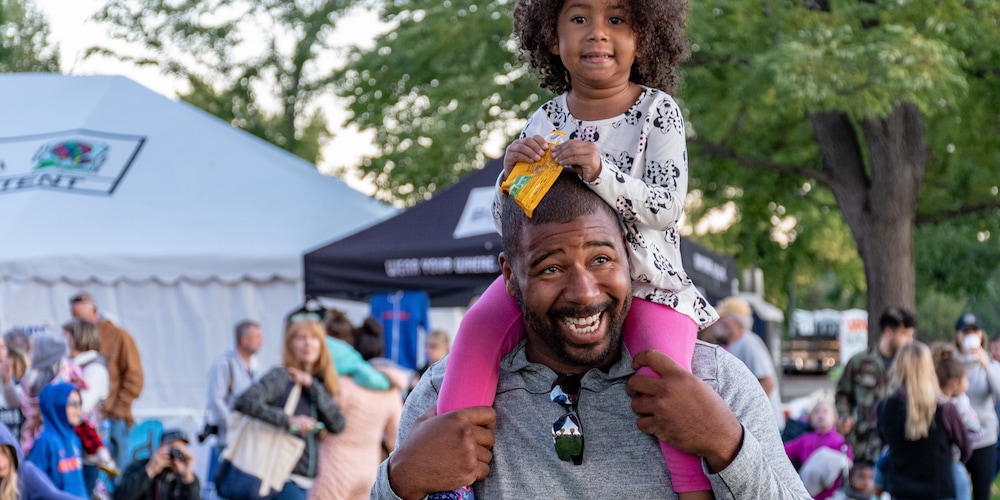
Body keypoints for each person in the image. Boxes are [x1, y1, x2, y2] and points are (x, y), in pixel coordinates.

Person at [373, 169, 810, 499]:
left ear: (629, 253)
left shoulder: (716, 382)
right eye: (550, 268)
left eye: (601, 259)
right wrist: (398, 481)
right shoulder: (442, 395)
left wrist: (725, 444)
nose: (584, 293)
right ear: (509, 276)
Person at [436, 0, 718, 497]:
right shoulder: (543, 120)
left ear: (644, 37)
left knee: (666, 382)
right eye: (579, 19)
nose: (597, 33)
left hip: (647, 282)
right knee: (477, 328)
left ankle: (692, 490)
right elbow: (515, 224)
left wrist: (602, 173)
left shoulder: (658, 113)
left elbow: (667, 207)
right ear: (552, 38)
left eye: (616, 20)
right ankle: (451, 476)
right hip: (554, 275)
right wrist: (509, 179)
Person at [233, 318, 346, 500]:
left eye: (314, 338)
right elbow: (244, 401)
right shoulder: (282, 376)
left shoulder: (319, 382)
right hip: (281, 476)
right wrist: (288, 420)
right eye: (301, 337)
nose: (308, 343)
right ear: (290, 343)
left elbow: (338, 424)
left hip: (304, 478)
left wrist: (311, 385)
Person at [309, 316, 404, 500]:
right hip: (369, 469)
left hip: (332, 466)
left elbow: (321, 427)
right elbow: (396, 441)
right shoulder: (391, 391)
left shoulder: (339, 385)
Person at [878, 341, 971, 500]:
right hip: (938, 488)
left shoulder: (884, 407)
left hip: (901, 489)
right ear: (928, 368)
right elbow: (966, 447)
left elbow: (884, 440)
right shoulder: (945, 408)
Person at [69, 292, 144, 479]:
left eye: (80, 317)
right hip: (88, 423)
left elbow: (135, 378)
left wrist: (117, 409)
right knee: (90, 477)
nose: (76, 321)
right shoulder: (78, 341)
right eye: (74, 317)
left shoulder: (119, 337)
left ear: (94, 312)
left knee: (117, 475)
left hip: (114, 419)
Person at [835, 306, 916, 463]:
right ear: (888, 333)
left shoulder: (912, 366)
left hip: (900, 447)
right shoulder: (859, 362)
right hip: (865, 447)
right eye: (905, 334)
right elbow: (843, 394)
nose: (910, 341)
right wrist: (844, 417)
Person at [204, 320, 262, 485]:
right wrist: (233, 425)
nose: (261, 342)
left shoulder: (255, 366)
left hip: (251, 439)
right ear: (244, 340)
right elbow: (216, 400)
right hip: (230, 440)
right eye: (257, 337)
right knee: (229, 486)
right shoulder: (224, 364)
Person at [63, 318, 118, 491]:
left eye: (65, 336)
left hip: (86, 452)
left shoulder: (95, 368)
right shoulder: (69, 366)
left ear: (76, 339)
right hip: (70, 447)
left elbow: (82, 406)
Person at [716, 296, 784, 430]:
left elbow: (768, 383)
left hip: (764, 427)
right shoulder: (738, 343)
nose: (719, 322)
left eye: (723, 318)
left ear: (735, 322)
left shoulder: (749, 343)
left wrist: (746, 416)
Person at [952, 313, 1000, 500]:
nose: (971, 336)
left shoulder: (991, 365)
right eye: (966, 332)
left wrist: (986, 365)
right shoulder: (951, 363)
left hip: (985, 439)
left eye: (975, 332)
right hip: (955, 440)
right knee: (956, 492)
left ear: (981, 336)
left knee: (981, 493)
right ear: (958, 336)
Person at [934, 342, 980, 500]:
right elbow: (973, 433)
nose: (967, 385)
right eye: (966, 380)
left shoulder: (931, 401)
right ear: (955, 383)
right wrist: (961, 459)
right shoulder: (958, 405)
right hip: (952, 463)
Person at [26, 383, 87, 498]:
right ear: (57, 406)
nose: (78, 409)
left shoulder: (74, 439)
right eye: (73, 404)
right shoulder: (45, 441)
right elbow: (32, 483)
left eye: (80, 403)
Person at [783, 400, 851, 500]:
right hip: (807, 494)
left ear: (834, 418)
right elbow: (783, 451)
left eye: (825, 412)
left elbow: (847, 466)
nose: (820, 415)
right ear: (810, 419)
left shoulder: (841, 441)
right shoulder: (804, 439)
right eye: (816, 412)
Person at [0, 422, 86, 500]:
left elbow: (55, 496)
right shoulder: (44, 441)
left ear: (12, 450)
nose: (1, 462)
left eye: (4, 452)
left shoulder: (25, 473)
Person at [114, 428, 199, 500]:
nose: (175, 454)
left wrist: (187, 478)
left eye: (180, 451)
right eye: (172, 448)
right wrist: (149, 471)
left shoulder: (187, 478)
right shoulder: (139, 466)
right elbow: (120, 496)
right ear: (159, 448)